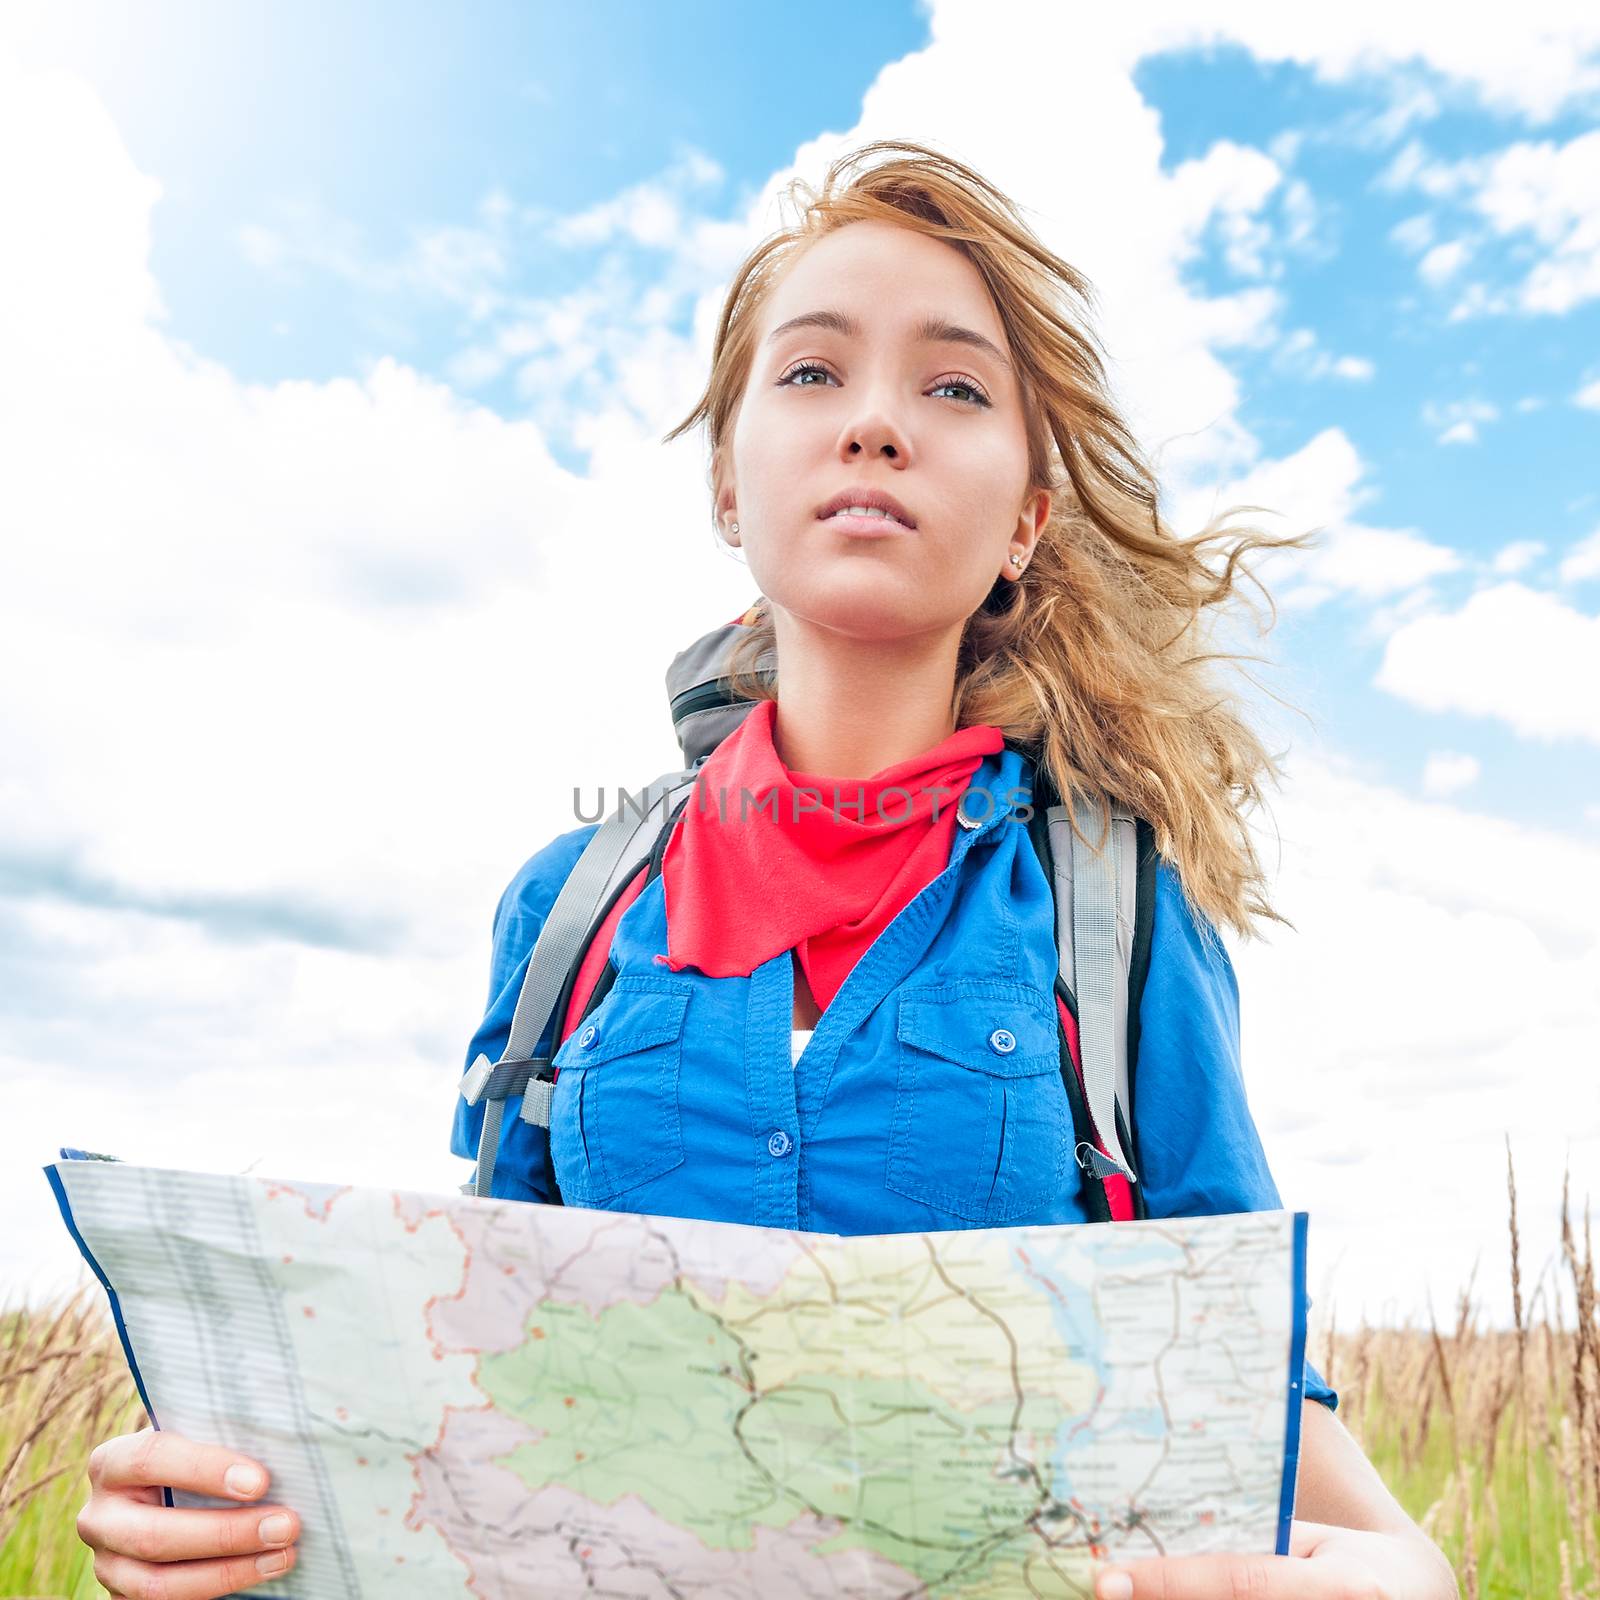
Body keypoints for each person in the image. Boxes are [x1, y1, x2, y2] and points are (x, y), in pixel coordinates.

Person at [76, 141, 1458, 1600]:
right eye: (810, 374)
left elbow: (1293, 1444)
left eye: (955, 387)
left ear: (1027, 525)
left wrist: (1399, 1580)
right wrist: (226, 1514)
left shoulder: (1115, 912)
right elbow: (472, 1397)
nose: (874, 423)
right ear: (731, 487)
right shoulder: (573, 904)